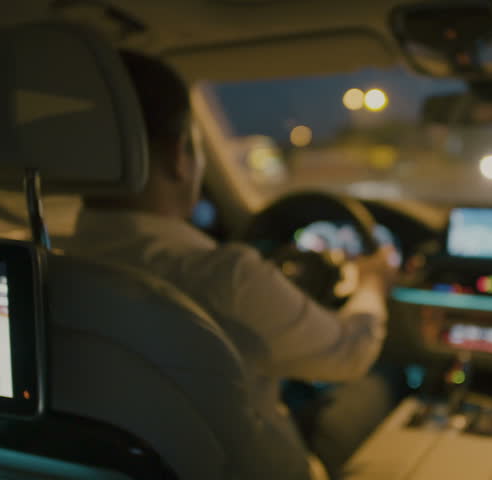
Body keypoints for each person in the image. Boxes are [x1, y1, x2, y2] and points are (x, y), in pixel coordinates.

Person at [67, 51, 397, 478]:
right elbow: (349, 354)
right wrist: (372, 284)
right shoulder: (225, 276)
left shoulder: (56, 262)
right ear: (179, 154)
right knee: (380, 381)